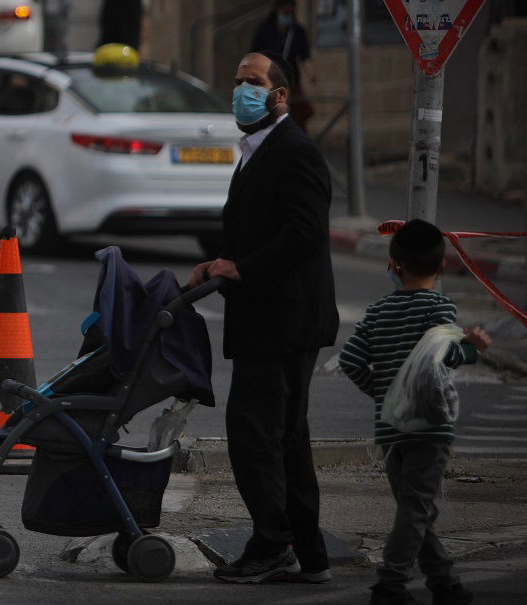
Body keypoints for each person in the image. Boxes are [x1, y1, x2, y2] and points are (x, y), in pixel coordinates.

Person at [187, 50, 338, 584]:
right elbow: (260, 228)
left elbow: (303, 234)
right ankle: (309, 552)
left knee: (255, 435)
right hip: (272, 316)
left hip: (282, 322)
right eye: (236, 81)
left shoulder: (294, 151)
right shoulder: (258, 150)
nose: (240, 91)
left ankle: (272, 544)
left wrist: (243, 268)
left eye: (252, 82)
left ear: (280, 95)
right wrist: (220, 266)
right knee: (286, 438)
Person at [339, 219, 488, 605]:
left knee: (415, 511)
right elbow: (448, 355)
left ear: (394, 263)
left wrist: (385, 396)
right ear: (441, 268)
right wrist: (473, 347)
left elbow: (351, 361)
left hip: (391, 431)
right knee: (415, 511)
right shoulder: (439, 306)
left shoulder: (376, 312)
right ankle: (390, 585)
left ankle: (445, 585)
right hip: (428, 427)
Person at [251, 0, 316, 132]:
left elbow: (304, 56)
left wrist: (311, 74)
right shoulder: (265, 30)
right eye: (284, 12)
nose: (287, 15)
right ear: (277, 10)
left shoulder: (297, 31)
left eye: (289, 12)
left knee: (296, 116)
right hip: (269, 82)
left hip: (290, 81)